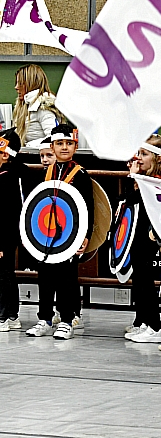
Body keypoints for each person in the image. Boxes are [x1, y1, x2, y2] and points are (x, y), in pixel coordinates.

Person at [25, 124, 93, 341]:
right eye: (60, 144)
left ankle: (66, 320)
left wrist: (85, 235)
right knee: (44, 277)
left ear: (75, 146)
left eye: (69, 144)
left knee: (66, 279)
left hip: (69, 237)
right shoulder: (47, 172)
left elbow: (87, 208)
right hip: (46, 236)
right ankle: (44, 318)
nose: (64, 148)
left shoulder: (80, 174)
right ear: (52, 146)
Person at [126, 136, 161, 344]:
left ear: (158, 158)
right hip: (138, 234)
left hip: (149, 236)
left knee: (146, 280)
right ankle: (144, 321)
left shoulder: (156, 181)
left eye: (144, 154)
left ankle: (155, 326)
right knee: (139, 279)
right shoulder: (144, 178)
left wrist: (134, 178)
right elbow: (130, 201)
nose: (139, 158)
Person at [0, 130, 26, 331]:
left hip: (6, 232)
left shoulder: (13, 175)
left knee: (5, 272)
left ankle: (8, 315)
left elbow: (12, 210)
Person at [13, 64, 64, 147]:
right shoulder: (22, 106)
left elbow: (55, 138)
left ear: (31, 84)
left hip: (40, 157)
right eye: (16, 83)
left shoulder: (43, 107)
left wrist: (28, 146)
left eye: (20, 83)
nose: (16, 87)